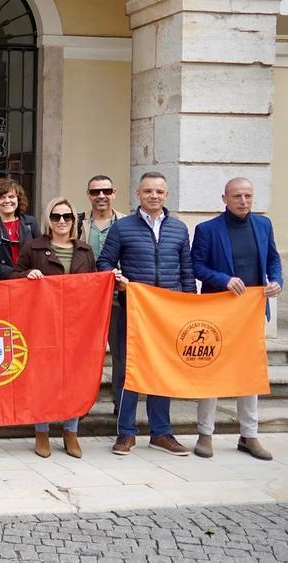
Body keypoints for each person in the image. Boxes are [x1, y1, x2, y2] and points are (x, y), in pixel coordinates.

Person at [97, 171, 195, 457]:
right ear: (138, 194)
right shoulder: (122, 228)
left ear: (167, 195)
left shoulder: (178, 229)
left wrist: (189, 306)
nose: (154, 196)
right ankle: (126, 433)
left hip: (167, 313)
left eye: (159, 192)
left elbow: (187, 271)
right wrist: (116, 277)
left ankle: (161, 433)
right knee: (131, 370)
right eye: (148, 191)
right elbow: (104, 262)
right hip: (134, 310)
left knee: (162, 371)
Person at [190, 177, 282, 461]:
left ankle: (249, 435)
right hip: (217, 311)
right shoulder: (207, 230)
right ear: (224, 199)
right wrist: (224, 279)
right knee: (211, 371)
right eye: (237, 196)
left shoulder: (264, 225)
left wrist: (276, 281)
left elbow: (273, 260)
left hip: (251, 313)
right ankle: (205, 434)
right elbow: (197, 266)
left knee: (249, 374)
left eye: (248, 196)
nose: (243, 201)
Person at [13, 197, 96, 459]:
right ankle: (42, 431)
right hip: (43, 324)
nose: (61, 221)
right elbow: (14, 276)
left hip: (78, 325)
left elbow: (94, 285)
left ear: (74, 220)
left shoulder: (85, 251)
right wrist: (27, 276)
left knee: (74, 377)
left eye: (67, 217)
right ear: (48, 220)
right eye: (56, 217)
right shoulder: (34, 248)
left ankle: (71, 432)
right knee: (44, 377)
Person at [80, 175, 127, 416]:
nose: (101, 196)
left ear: (114, 193)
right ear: (88, 194)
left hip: (118, 300)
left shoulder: (127, 223)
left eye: (106, 191)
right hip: (87, 303)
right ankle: (82, 404)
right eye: (96, 192)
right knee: (85, 356)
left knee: (120, 355)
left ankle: (121, 405)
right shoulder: (77, 223)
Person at [0, 177, 39, 282]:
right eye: (2, 197)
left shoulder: (31, 223)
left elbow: (39, 254)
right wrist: (16, 274)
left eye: (11, 196)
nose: (7, 201)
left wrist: (30, 272)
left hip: (28, 282)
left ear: (18, 199)